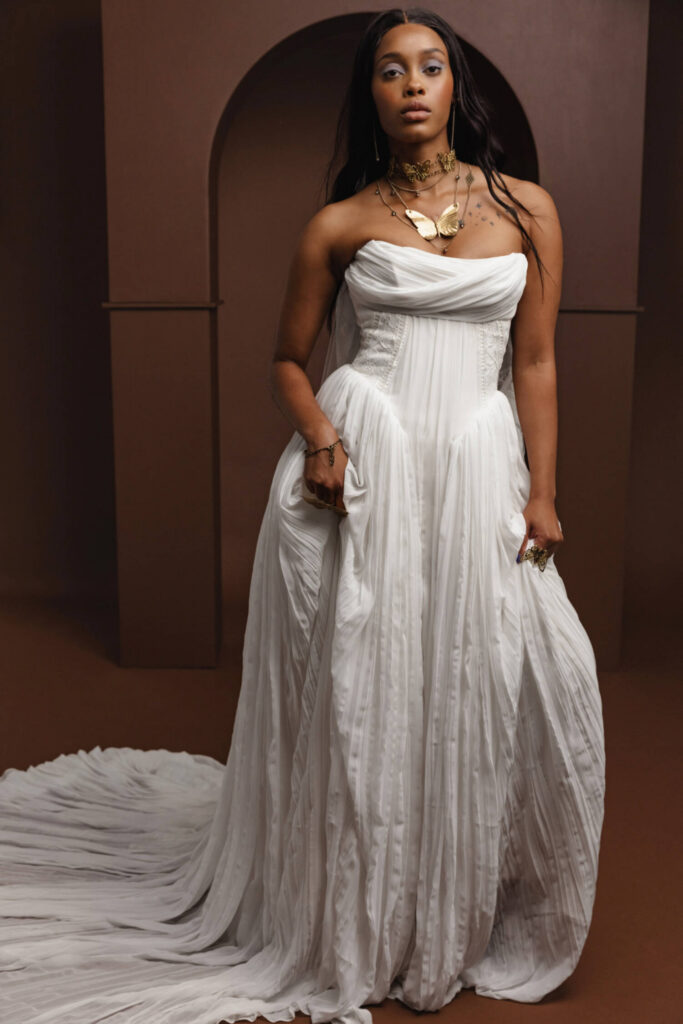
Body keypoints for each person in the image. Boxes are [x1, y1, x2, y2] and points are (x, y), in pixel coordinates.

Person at [0, 8, 605, 1024]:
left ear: (455, 87)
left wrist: (541, 490)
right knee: (366, 680)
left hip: (474, 459)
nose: (411, 85)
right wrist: (322, 436)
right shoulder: (338, 221)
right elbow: (287, 360)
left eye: (429, 66)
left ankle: (448, 905)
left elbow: (534, 361)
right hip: (365, 461)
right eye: (389, 71)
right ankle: (353, 914)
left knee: (483, 665)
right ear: (370, 94)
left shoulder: (526, 210)